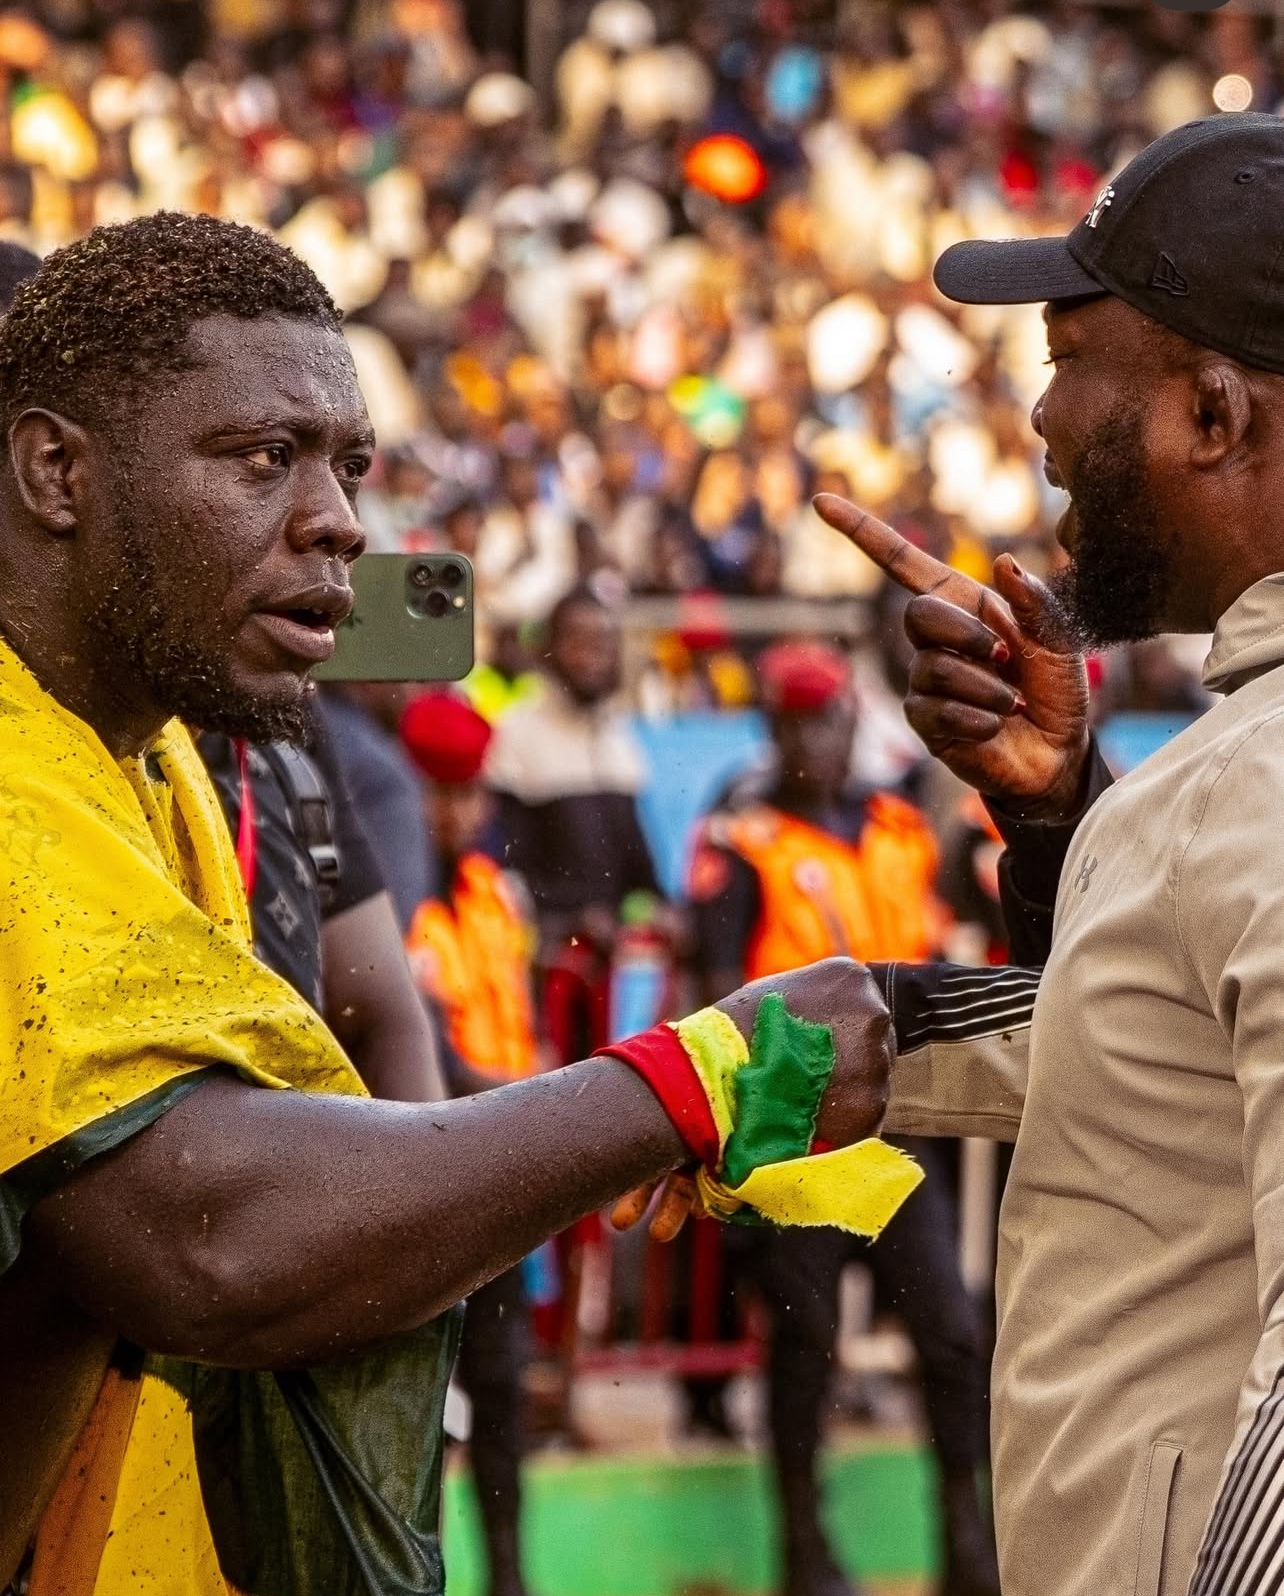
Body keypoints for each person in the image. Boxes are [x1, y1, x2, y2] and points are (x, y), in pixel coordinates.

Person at [0, 212, 893, 1594]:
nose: (343, 521)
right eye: (262, 459)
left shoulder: (164, 748)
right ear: (55, 468)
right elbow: (199, 1233)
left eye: (349, 464)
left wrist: (530, 1152)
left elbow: (354, 1081)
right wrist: (702, 1075)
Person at [804, 111, 1284, 1596]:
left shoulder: (1265, 782)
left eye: (1073, 359)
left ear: (1212, 415)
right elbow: (1168, 1057)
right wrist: (1062, 820)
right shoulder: (1226, 776)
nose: (1040, 419)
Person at [687, 640, 998, 1596]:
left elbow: (948, 958)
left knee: (949, 1335)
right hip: (799, 1139)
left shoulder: (902, 828)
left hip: (901, 1132)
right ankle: (805, 1555)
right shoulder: (741, 844)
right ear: (773, 728)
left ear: (852, 722)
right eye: (795, 720)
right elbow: (709, 995)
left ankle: (969, 1550)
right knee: (804, 1343)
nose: (814, 736)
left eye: (828, 717)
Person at [402, 690, 537, 1596]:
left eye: (467, 794)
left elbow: (511, 1027)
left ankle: (511, 1581)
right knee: (420, 1411)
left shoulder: (494, 895)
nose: (455, 813)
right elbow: (435, 1059)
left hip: (512, 1171)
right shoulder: (400, 906)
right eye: (438, 793)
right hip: (427, 1176)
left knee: (504, 1394)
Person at [486, 584, 667, 1059]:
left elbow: (640, 866)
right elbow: (505, 870)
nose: (594, 657)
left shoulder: (619, 735)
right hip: (547, 968)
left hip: (613, 971)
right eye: (579, 641)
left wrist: (660, 908)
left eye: (603, 643)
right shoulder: (516, 736)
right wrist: (571, 919)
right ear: (548, 647)